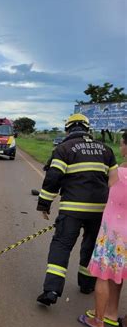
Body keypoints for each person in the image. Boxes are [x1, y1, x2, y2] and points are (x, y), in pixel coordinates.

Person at [36, 113, 117, 306]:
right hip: (100, 210)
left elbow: (53, 177)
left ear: (68, 130)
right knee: (90, 246)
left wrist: (44, 204)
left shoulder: (63, 149)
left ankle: (52, 291)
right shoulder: (106, 150)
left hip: (72, 208)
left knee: (62, 246)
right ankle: (87, 284)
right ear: (87, 129)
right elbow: (114, 181)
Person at [78, 131, 127, 327]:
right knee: (119, 274)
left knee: (104, 275)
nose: (120, 147)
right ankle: (112, 313)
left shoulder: (117, 174)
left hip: (113, 233)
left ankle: (98, 320)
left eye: (123, 144)